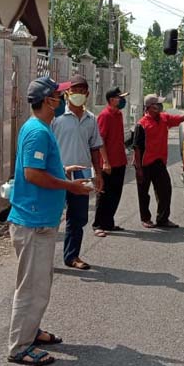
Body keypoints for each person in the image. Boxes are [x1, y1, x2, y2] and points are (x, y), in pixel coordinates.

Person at [6, 76, 93, 366]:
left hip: (39, 220)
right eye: (58, 96)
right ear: (47, 101)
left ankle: (31, 331)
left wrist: (63, 169)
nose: (62, 100)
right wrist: (71, 187)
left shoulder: (40, 128)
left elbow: (40, 168)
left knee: (40, 284)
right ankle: (20, 346)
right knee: (31, 287)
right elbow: (32, 174)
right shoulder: (38, 132)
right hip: (33, 221)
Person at [51, 75, 110, 270]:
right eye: (74, 89)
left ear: (87, 93)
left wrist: (98, 174)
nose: (78, 93)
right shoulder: (56, 117)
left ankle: (72, 256)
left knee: (78, 218)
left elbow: (95, 148)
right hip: (57, 174)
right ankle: (44, 259)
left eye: (82, 90)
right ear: (67, 92)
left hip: (82, 176)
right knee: (50, 218)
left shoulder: (90, 119)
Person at [133, 93, 184, 228]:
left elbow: (179, 119)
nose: (160, 106)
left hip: (159, 162)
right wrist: (138, 169)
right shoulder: (141, 125)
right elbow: (137, 148)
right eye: (157, 104)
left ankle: (163, 219)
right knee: (143, 193)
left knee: (165, 190)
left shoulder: (164, 118)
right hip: (144, 164)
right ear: (150, 107)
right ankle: (145, 218)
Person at [93, 87, 130, 232]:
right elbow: (100, 140)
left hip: (120, 160)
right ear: (111, 100)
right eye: (119, 97)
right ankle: (98, 224)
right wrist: (106, 162)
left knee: (115, 194)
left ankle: (108, 222)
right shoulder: (105, 115)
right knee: (103, 194)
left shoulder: (119, 114)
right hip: (108, 163)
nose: (121, 100)